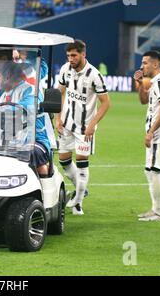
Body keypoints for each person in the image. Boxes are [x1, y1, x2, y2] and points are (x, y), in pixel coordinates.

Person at [56, 40, 110, 215]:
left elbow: (106, 103)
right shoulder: (65, 69)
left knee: (81, 161)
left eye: (74, 55)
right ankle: (81, 189)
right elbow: (60, 93)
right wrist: (58, 118)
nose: (70, 59)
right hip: (67, 124)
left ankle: (78, 201)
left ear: (83, 54)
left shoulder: (94, 75)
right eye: (68, 56)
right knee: (63, 160)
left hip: (85, 128)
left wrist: (93, 125)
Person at [133, 51, 160, 222]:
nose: (142, 66)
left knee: (156, 172)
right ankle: (155, 209)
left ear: (156, 64)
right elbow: (144, 101)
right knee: (149, 171)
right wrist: (139, 83)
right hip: (158, 134)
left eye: (145, 63)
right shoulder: (156, 82)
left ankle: (159, 212)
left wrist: (151, 132)